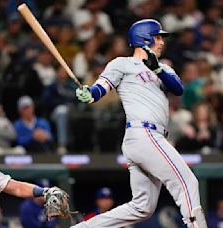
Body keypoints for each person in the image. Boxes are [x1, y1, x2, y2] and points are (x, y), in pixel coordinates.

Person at [73, 19, 207, 228]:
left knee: (142, 207)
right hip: (143, 134)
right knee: (187, 182)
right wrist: (89, 92)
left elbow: (178, 89)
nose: (162, 42)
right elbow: (100, 89)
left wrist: (158, 69)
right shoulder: (122, 64)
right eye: (158, 37)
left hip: (152, 138)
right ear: (143, 39)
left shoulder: (165, 68)